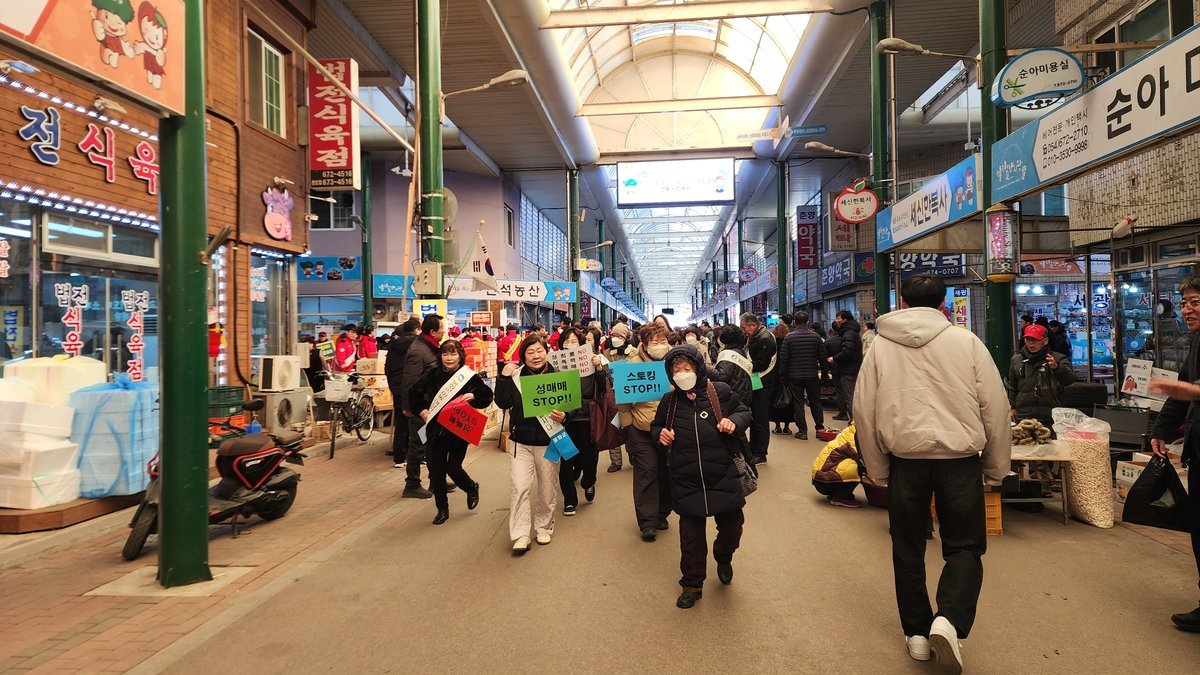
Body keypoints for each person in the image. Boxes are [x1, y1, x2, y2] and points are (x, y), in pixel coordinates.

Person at [854, 274, 1012, 673]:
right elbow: (994, 406)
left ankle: (918, 634)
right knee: (965, 546)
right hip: (960, 460)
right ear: (944, 304)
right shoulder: (967, 342)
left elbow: (863, 410)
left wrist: (877, 468)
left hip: (905, 461)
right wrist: (996, 466)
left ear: (903, 303)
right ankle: (950, 619)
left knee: (907, 545)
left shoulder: (880, 347)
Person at [651, 344, 751, 609]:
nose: (682, 373)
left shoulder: (719, 392)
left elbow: (744, 411)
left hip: (723, 475)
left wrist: (734, 422)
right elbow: (656, 426)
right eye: (676, 370)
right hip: (686, 479)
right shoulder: (669, 402)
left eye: (687, 368)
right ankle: (692, 584)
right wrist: (661, 434)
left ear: (698, 368)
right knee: (691, 539)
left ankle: (723, 555)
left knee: (732, 529)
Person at [1147, 275, 1200, 632]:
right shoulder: (1195, 341)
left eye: (1195, 302)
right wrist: (1161, 430)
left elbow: (1187, 389)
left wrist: (1192, 390)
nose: (1187, 310)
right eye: (1184, 303)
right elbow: (1181, 391)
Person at [495, 336, 566, 553]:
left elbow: (572, 405)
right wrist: (504, 378)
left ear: (547, 352)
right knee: (520, 486)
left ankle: (544, 527)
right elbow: (502, 402)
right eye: (530, 352)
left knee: (547, 487)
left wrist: (565, 415)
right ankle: (520, 533)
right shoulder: (515, 377)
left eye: (539, 350)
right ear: (523, 356)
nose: (536, 356)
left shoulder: (558, 376)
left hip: (550, 442)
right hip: (520, 443)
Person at [409, 339, 491, 524]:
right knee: (436, 470)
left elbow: (487, 396)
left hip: (458, 432)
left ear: (460, 356)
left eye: (453, 354)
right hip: (435, 431)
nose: (449, 358)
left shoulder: (468, 376)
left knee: (453, 468)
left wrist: (474, 395)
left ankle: (471, 487)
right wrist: (422, 411)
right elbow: (413, 393)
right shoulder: (432, 374)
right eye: (445, 354)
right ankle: (442, 509)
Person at [618, 322, 673, 541]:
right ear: (644, 343)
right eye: (654, 342)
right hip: (641, 429)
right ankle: (647, 521)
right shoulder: (632, 364)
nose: (659, 345)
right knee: (647, 472)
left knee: (667, 472)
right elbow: (622, 399)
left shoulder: (675, 362)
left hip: (670, 430)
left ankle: (662, 513)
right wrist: (628, 423)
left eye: (663, 341)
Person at [398, 314, 448, 500]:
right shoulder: (418, 351)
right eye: (442, 329)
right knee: (417, 446)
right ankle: (412, 484)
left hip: (431, 406)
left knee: (432, 445)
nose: (444, 332)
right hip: (420, 408)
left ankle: (436, 481)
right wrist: (410, 407)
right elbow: (409, 382)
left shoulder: (430, 347)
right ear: (433, 331)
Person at [557, 328, 605, 516]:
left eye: (574, 341)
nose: (569, 345)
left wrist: (599, 369)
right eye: (566, 341)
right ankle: (569, 500)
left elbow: (602, 389)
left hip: (586, 418)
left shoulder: (591, 361)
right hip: (563, 420)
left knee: (588, 457)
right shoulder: (556, 363)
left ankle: (589, 481)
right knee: (566, 460)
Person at [1007, 323, 1076, 429]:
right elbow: (1012, 386)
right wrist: (1012, 407)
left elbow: (1070, 379)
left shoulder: (1058, 358)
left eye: (1035, 339)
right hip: (1024, 415)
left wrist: (1056, 368)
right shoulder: (1017, 360)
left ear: (1045, 341)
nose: (1031, 343)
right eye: (1028, 339)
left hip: (1052, 416)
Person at [778, 311, 826, 440]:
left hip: (794, 376)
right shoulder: (816, 337)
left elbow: (784, 359)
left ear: (795, 322)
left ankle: (802, 431)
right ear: (808, 322)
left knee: (798, 403)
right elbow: (823, 358)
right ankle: (819, 429)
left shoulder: (789, 337)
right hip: (812, 375)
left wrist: (782, 376)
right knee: (815, 402)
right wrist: (825, 375)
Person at [740, 313, 778, 464]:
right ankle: (753, 447)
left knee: (760, 418)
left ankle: (761, 453)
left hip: (763, 383)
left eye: (744, 328)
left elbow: (761, 364)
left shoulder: (765, 339)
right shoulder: (756, 336)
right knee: (754, 417)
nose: (744, 331)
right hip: (757, 382)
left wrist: (741, 364)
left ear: (752, 325)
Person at [386, 318, 422, 465]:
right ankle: (419, 455)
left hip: (398, 388)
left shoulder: (392, 346)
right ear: (417, 329)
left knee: (400, 424)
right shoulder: (418, 344)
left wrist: (393, 386)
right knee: (419, 422)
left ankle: (399, 458)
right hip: (415, 387)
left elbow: (388, 368)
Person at [603, 322, 637, 473]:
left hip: (630, 395)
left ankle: (633, 454)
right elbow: (603, 371)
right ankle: (615, 461)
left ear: (626, 338)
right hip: (612, 395)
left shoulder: (634, 353)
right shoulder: (606, 353)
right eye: (613, 335)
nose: (615, 338)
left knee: (630, 426)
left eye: (619, 336)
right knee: (613, 427)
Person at [812, 425, 864, 508]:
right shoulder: (854, 438)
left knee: (852, 463)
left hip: (821, 479)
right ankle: (841, 496)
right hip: (825, 481)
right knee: (859, 465)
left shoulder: (849, 432)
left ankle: (836, 493)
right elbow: (863, 460)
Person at [828, 311, 863, 422]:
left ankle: (855, 423)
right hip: (852, 368)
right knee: (851, 396)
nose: (836, 321)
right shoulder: (851, 332)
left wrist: (834, 358)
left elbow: (847, 351)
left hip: (848, 370)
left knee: (849, 397)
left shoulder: (848, 333)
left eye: (838, 318)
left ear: (844, 320)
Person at [769, 322, 794, 435]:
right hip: (788, 375)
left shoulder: (772, 345)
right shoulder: (789, 343)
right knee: (788, 400)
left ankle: (777, 426)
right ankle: (787, 427)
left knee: (775, 401)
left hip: (775, 376)